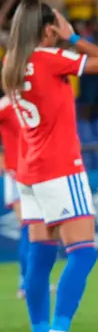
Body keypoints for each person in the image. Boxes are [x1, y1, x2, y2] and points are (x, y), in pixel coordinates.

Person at [2, 0, 98, 332]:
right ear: (49, 28)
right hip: (61, 167)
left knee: (41, 254)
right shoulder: (50, 58)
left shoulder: (11, 65)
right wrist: (74, 36)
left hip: (29, 170)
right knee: (83, 253)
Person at [0, 94, 28, 298]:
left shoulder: (31, 101)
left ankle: (32, 282)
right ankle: (25, 284)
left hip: (36, 171)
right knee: (29, 227)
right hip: (16, 173)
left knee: (40, 230)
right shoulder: (5, 105)